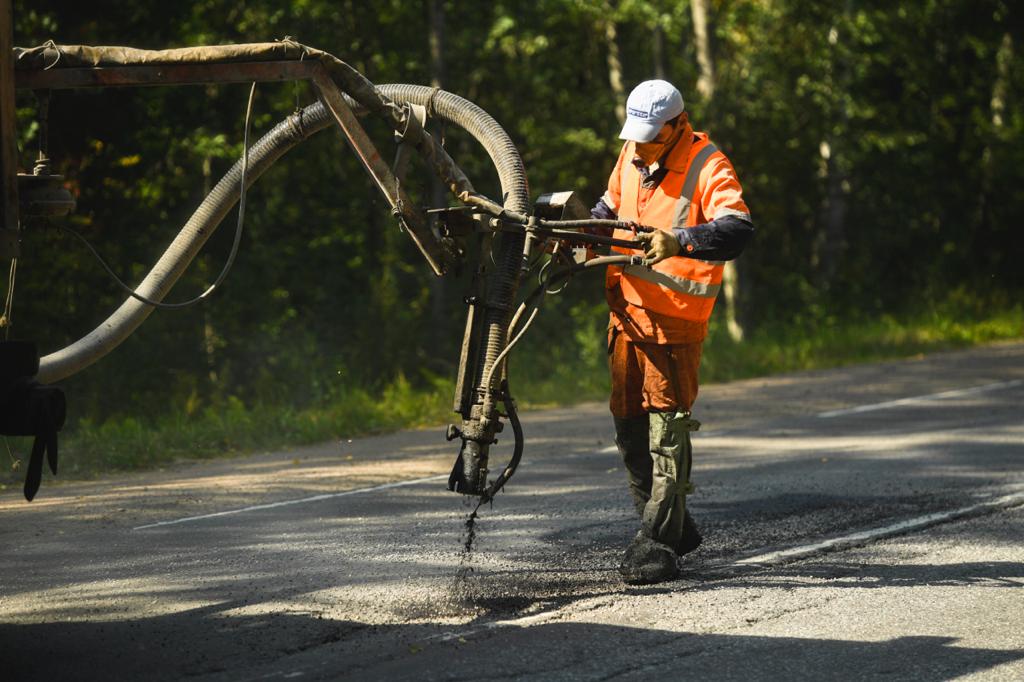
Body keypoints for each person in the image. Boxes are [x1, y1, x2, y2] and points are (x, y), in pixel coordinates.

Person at [590, 80, 754, 584]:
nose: (638, 146)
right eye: (633, 136)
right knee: (628, 430)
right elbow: (607, 209)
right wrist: (576, 234)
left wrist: (679, 239)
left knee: (666, 433)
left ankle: (656, 542)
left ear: (676, 124)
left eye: (648, 136)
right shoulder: (632, 153)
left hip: (674, 323)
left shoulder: (709, 165)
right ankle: (672, 528)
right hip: (627, 316)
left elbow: (737, 228)